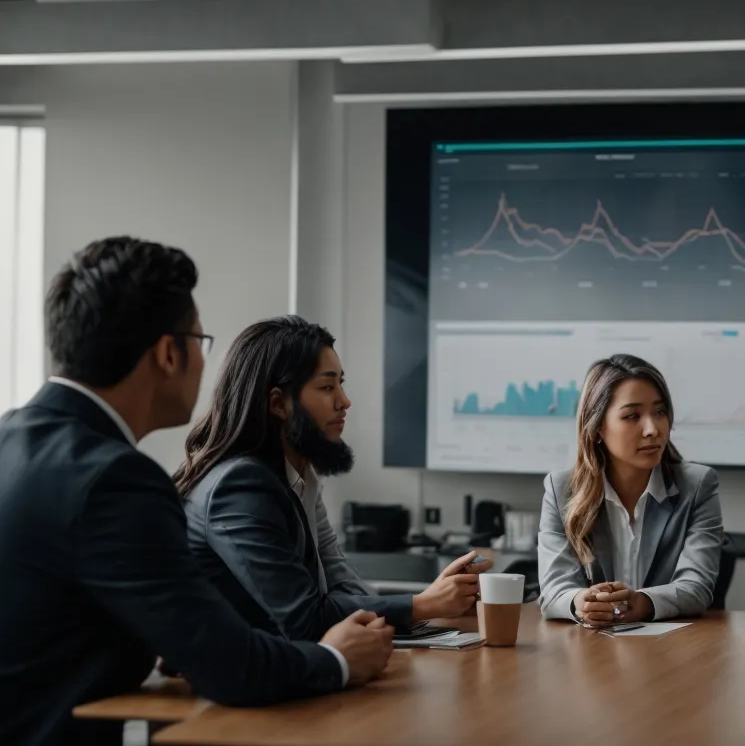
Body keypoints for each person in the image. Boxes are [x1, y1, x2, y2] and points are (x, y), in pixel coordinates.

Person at [0, 237, 391, 745]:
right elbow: (231, 667)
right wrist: (338, 658)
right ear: (168, 353)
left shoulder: (11, 439)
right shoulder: (118, 481)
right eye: (200, 343)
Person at [173, 316, 485, 641]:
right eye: (327, 387)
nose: (344, 401)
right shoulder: (239, 487)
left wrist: (435, 603)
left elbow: (340, 582)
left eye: (341, 384)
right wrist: (421, 605)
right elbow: (303, 617)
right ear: (278, 403)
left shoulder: (299, 475)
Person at [538, 354, 725, 627]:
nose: (652, 429)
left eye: (660, 412)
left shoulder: (697, 485)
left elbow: (696, 587)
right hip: (591, 649)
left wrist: (641, 603)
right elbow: (554, 590)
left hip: (671, 651)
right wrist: (580, 601)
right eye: (632, 416)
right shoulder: (561, 490)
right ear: (598, 427)